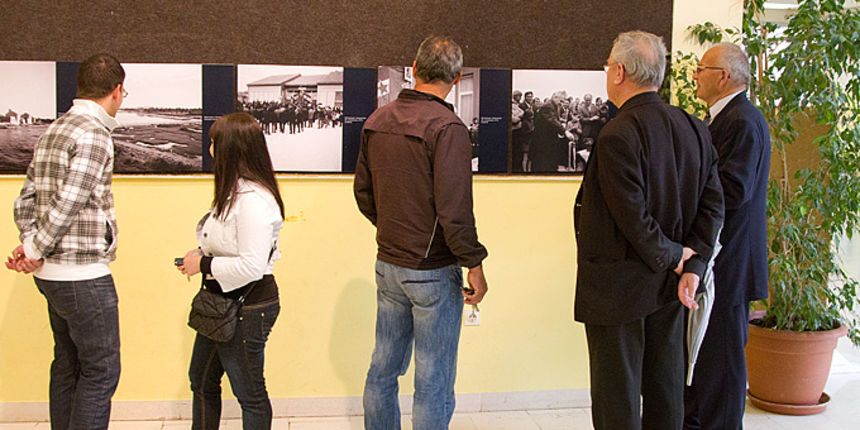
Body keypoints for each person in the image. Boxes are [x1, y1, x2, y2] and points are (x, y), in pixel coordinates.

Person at [573, 31, 725, 429]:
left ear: (619, 71)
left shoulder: (617, 134)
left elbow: (633, 218)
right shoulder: (694, 128)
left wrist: (678, 259)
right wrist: (692, 266)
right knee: (665, 393)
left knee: (616, 399)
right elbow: (713, 208)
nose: (607, 71)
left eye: (608, 64)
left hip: (620, 290)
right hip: (672, 290)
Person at [354, 35, 489, 430]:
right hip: (431, 270)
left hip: (388, 264)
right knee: (433, 378)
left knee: (383, 368)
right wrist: (474, 264)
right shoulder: (448, 127)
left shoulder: (377, 121)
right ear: (458, 77)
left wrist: (393, 228)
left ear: (414, 70)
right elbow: (455, 210)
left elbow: (363, 193)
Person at [5, 53, 126, 430]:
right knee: (102, 370)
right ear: (117, 91)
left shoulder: (54, 130)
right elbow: (70, 200)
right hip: (83, 275)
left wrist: (31, 247)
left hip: (52, 278)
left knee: (68, 365)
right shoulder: (93, 135)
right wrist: (35, 249)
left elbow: (26, 198)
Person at [177, 112, 285, 429]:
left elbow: (252, 265)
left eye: (214, 143)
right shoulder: (234, 191)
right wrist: (201, 254)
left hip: (247, 306)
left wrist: (205, 264)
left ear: (231, 150)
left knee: (249, 393)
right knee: (201, 380)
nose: (210, 149)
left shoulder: (254, 201)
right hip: (221, 303)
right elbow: (232, 245)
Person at [684, 43, 770, 430]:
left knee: (724, 362)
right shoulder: (720, 119)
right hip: (717, 258)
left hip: (731, 261)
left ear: (724, 76)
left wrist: (684, 188)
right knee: (706, 361)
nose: (695, 76)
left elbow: (735, 190)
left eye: (701, 69)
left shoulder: (743, 121)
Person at [531, 90, 567, 172]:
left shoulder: (553, 105)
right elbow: (552, 120)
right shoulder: (548, 106)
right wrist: (565, 131)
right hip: (543, 143)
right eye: (561, 101)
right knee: (543, 166)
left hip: (547, 142)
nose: (561, 103)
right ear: (555, 97)